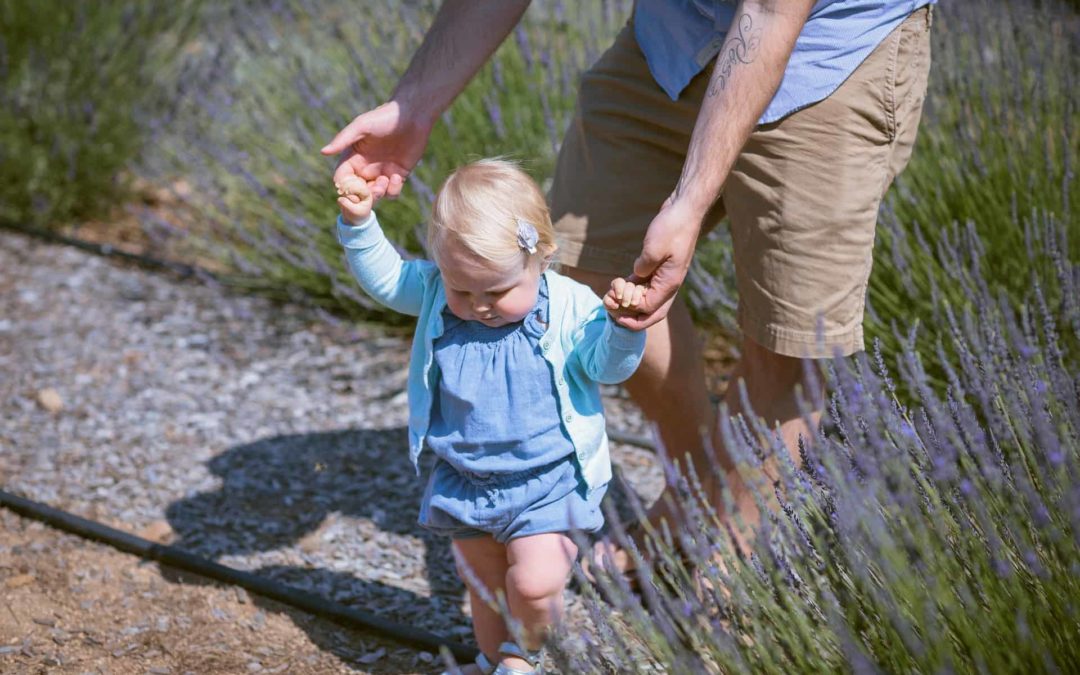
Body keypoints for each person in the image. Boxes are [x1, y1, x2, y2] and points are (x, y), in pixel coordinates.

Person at [322, 0, 934, 569]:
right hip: (677, 36)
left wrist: (689, 203)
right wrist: (414, 105)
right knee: (593, 273)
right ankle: (697, 491)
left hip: (827, 58)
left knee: (789, 341)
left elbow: (773, 12)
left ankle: (727, 573)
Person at [334, 158, 646, 674]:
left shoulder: (570, 307)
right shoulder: (437, 293)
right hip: (465, 478)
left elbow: (607, 368)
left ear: (542, 257)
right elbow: (388, 281)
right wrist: (359, 224)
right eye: (463, 290)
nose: (479, 305)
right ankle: (492, 658)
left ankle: (524, 658)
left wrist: (625, 330)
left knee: (534, 582)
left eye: (497, 292)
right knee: (484, 588)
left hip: (549, 479)